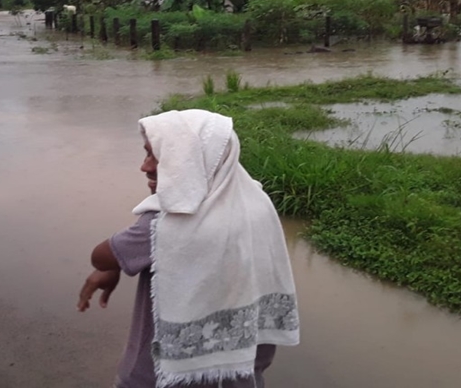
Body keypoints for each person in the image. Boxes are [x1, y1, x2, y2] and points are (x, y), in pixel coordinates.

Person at [78, 109, 299, 388]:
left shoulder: (165, 224)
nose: (145, 166)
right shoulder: (256, 202)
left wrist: (110, 267)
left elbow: (101, 255)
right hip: (240, 371)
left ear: (191, 160)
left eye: (156, 154)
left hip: (159, 378)